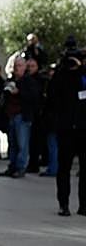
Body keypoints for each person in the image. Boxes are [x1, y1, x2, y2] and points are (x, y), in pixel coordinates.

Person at [48, 45, 86, 216]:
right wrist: (63, 67)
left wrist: (80, 68)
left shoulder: (83, 75)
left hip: (83, 128)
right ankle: (63, 204)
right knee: (64, 168)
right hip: (65, 129)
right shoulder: (60, 76)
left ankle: (83, 205)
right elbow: (52, 96)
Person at [0, 57, 42, 178]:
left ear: (24, 67)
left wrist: (19, 92)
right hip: (11, 115)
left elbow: (34, 98)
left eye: (19, 65)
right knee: (12, 144)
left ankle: (21, 167)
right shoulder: (11, 80)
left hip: (22, 116)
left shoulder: (29, 81)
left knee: (22, 144)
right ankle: (12, 166)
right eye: (15, 65)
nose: (16, 68)